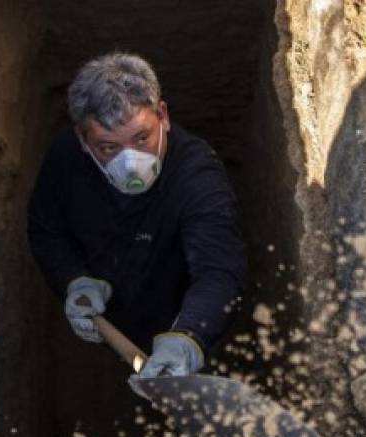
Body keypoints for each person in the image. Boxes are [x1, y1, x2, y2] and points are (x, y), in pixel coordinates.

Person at [27, 52, 246, 378]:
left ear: (163, 116)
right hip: (113, 313)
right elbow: (47, 230)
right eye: (109, 147)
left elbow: (218, 271)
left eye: (142, 138)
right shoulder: (66, 162)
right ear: (82, 141)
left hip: (179, 309)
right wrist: (74, 279)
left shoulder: (197, 178)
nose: (131, 163)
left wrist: (190, 334)